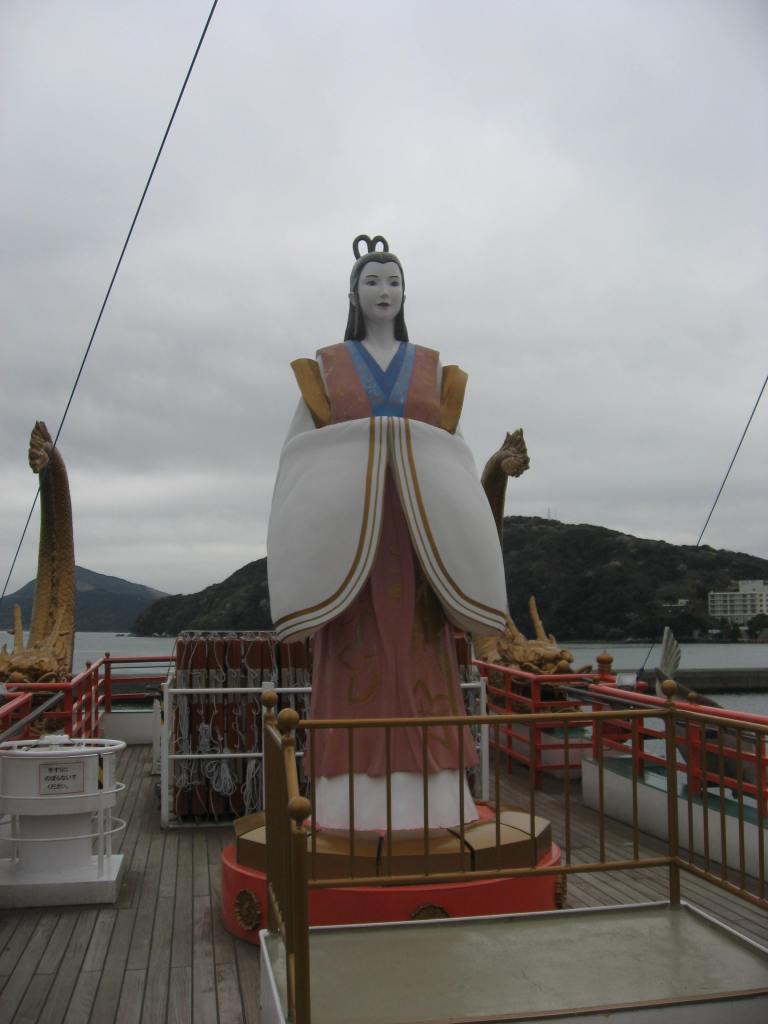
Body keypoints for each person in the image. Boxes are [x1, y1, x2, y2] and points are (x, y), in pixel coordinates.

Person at [267, 235, 508, 829]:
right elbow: (299, 456)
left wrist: (414, 453)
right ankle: (349, 800)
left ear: (405, 294)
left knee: (425, 654)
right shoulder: (327, 369)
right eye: (372, 281)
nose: (384, 291)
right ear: (353, 293)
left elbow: (453, 454)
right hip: (354, 537)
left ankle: (438, 795)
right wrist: (371, 449)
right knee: (354, 651)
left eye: (394, 282)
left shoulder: (432, 370)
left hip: (421, 536)